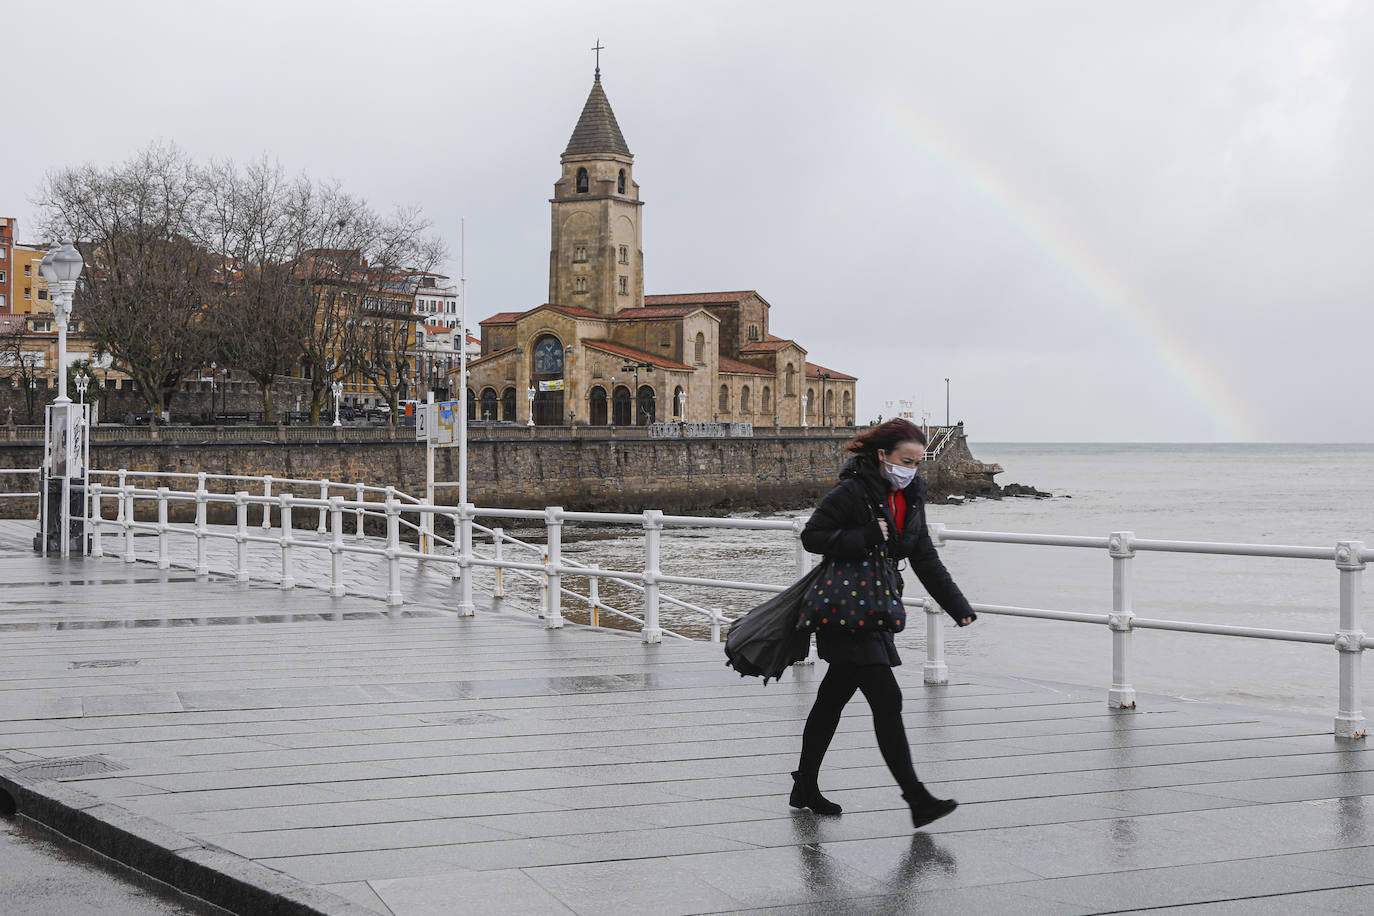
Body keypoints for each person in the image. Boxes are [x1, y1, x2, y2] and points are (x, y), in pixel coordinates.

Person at [793, 418, 977, 829]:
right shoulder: (851, 491)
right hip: (844, 608)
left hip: (874, 607)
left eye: (917, 462)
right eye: (904, 461)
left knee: (832, 699)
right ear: (882, 455)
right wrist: (863, 535)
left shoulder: (911, 495)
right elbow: (813, 536)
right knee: (886, 699)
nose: (910, 469)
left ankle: (804, 785)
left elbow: (923, 555)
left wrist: (956, 605)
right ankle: (917, 799)